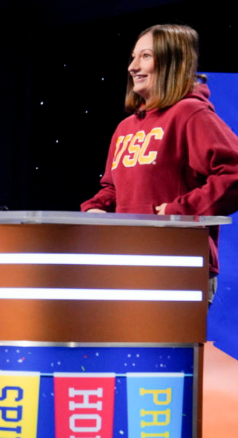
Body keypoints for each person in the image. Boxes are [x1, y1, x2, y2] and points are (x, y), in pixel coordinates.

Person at [82, 24, 238, 302]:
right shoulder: (125, 128)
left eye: (145, 56)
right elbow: (113, 188)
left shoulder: (190, 113)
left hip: (177, 262)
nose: (132, 67)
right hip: (125, 258)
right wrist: (96, 208)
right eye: (132, 57)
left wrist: (180, 211)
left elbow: (233, 173)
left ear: (172, 62)